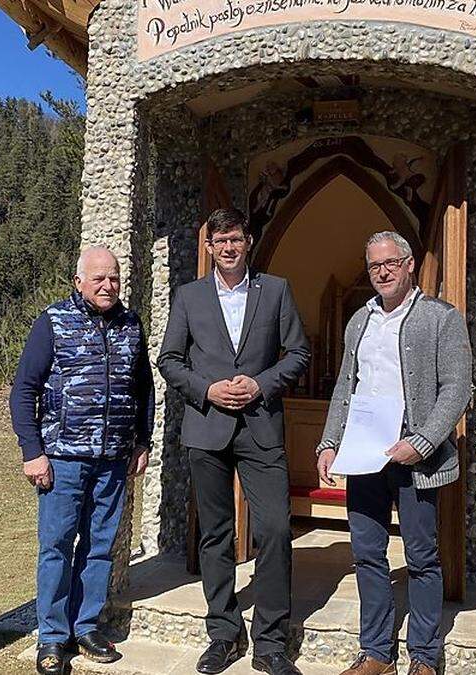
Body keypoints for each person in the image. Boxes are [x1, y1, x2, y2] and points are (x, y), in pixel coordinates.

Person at [157, 207, 310, 675]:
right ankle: (224, 632)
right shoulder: (188, 296)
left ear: (248, 242)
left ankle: (270, 641)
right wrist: (207, 389)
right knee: (216, 534)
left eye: (236, 239)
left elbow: (299, 352)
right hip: (207, 427)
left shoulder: (277, 291)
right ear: (209, 246)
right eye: (220, 240)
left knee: (275, 530)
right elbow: (169, 359)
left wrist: (261, 383)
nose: (228, 247)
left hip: (261, 426)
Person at [315, 232, 471, 675]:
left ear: (409, 265)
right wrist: (329, 442)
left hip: (414, 458)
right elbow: (345, 387)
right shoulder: (358, 322)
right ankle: (377, 654)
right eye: (374, 266)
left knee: (421, 558)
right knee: (367, 553)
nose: (382, 272)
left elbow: (457, 388)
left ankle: (423, 657)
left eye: (390, 263)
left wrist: (422, 441)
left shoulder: (441, 318)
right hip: (364, 456)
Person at [9, 245, 154, 675]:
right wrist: (32, 452)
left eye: (113, 278)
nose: (108, 285)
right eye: (99, 279)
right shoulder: (53, 322)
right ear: (78, 282)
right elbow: (24, 391)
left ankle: (86, 626)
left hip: (113, 461)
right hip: (62, 461)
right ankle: (51, 637)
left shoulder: (131, 325)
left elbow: (143, 389)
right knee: (56, 548)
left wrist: (141, 441)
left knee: (100, 549)